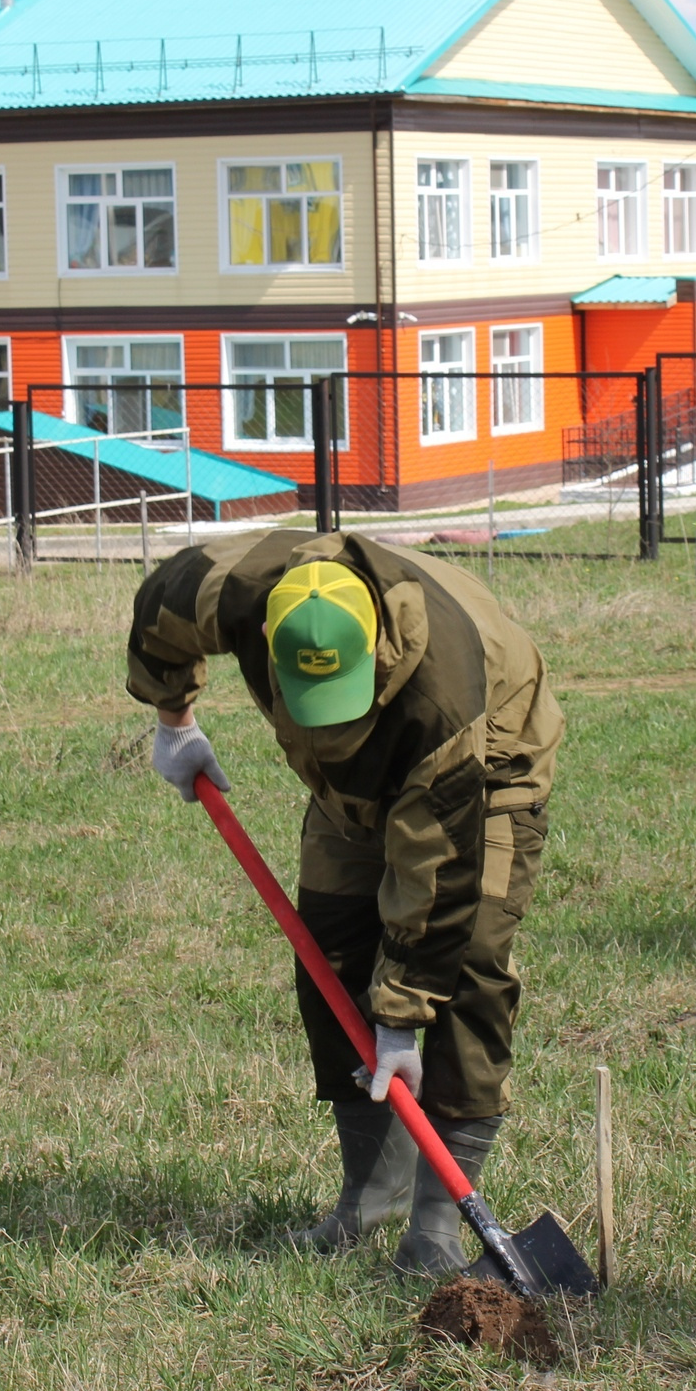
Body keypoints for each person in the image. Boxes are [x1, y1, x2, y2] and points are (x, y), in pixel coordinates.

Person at [125, 529, 562, 1278]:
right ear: (265, 634)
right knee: (331, 952)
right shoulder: (238, 591)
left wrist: (400, 1016)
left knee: (469, 972)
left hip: (485, 770)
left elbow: (440, 879)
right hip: (348, 791)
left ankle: (435, 1228)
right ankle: (373, 1190)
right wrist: (175, 718)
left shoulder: (441, 695)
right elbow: (158, 609)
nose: (328, 716)